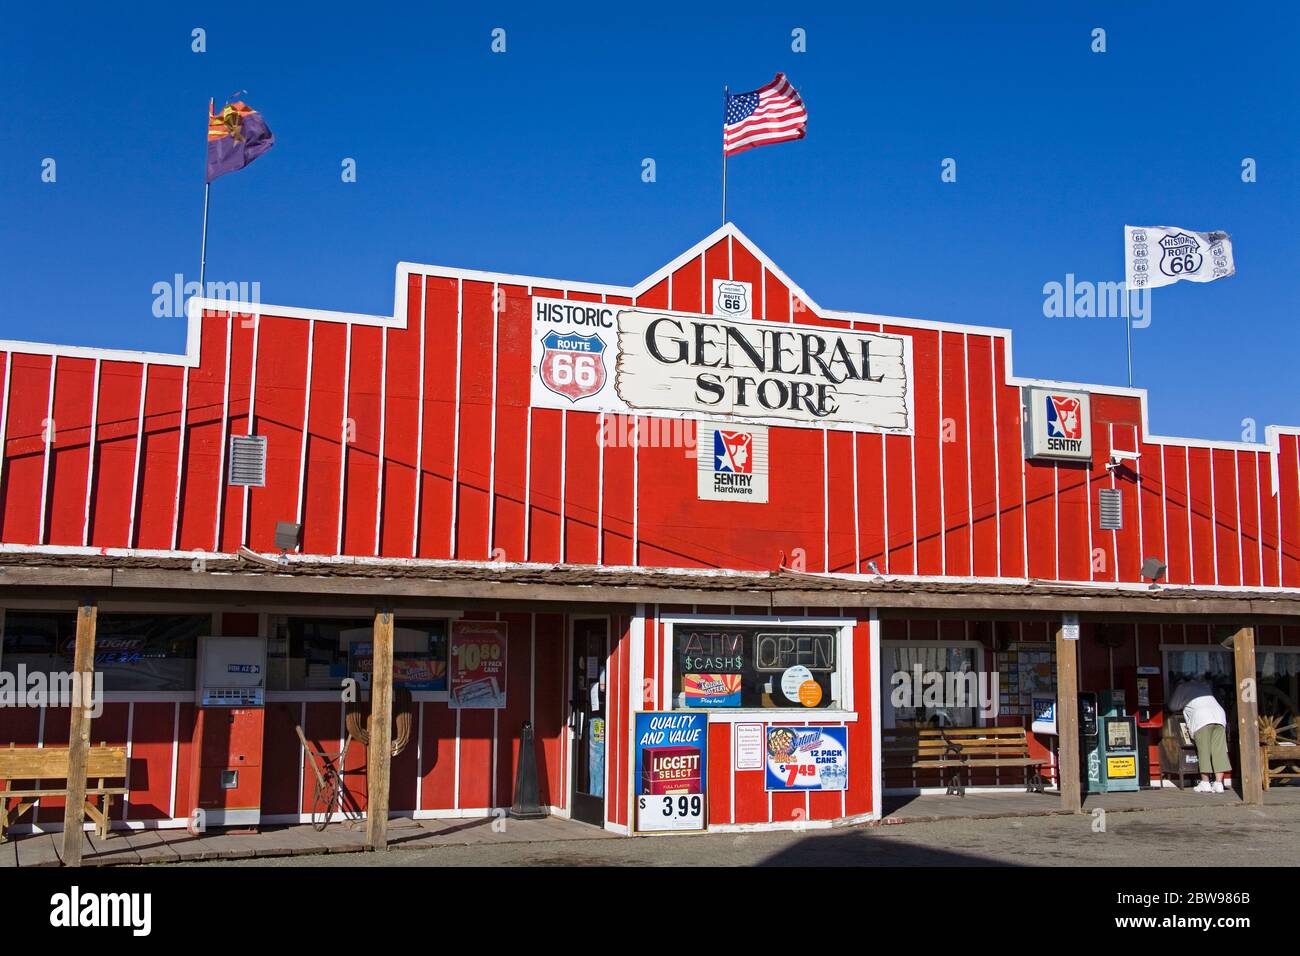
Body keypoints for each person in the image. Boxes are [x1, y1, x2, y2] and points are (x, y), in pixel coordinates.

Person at [1167, 675, 1231, 793]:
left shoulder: (1182, 687)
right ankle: (1218, 783)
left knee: (1204, 750)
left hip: (1202, 718)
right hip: (1219, 715)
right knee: (1219, 750)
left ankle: (1205, 782)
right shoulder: (1204, 686)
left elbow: (1173, 706)